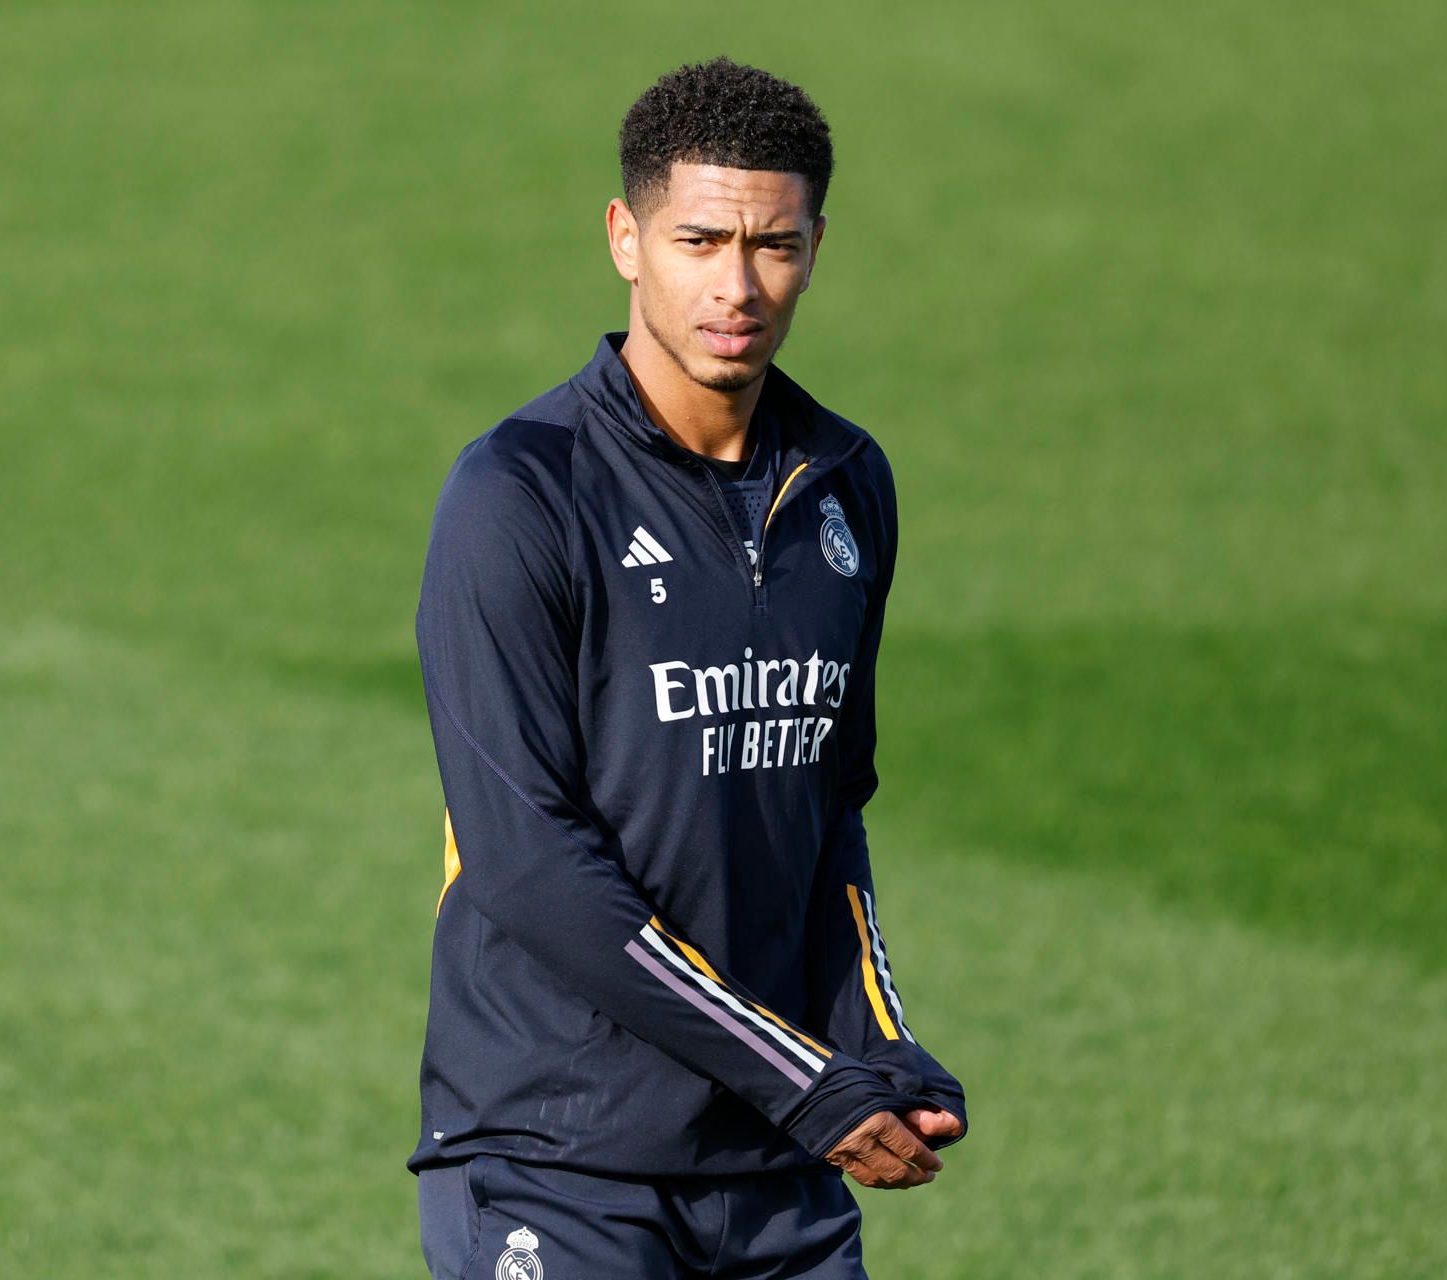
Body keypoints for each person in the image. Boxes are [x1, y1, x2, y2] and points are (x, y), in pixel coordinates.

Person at [410, 56, 967, 1279]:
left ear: (816, 245)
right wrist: (803, 1078)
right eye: (699, 239)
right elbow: (529, 861)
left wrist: (876, 1045)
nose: (737, 285)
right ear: (626, 237)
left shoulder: (846, 485)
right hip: (558, 1162)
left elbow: (829, 811)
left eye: (772, 245)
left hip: (775, 1178)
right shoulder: (520, 494)